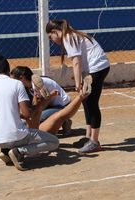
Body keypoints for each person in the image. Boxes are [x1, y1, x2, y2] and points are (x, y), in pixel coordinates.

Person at [0, 55, 59, 171]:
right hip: (15, 136)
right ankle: (19, 151)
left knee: (19, 130)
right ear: (8, 71)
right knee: (54, 142)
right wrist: (38, 102)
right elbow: (27, 114)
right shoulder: (16, 84)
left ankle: (6, 151)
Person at [46, 19, 110, 154]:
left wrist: (77, 83)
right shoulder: (71, 36)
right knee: (86, 102)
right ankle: (88, 137)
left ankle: (94, 141)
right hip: (95, 69)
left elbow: (76, 62)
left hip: (97, 69)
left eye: (50, 36)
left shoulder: (69, 37)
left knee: (92, 103)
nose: (51, 40)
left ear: (55, 32)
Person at [10, 66, 72, 135]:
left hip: (62, 106)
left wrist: (33, 115)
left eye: (14, 80)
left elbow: (42, 104)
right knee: (33, 117)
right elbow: (34, 106)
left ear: (22, 78)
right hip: (50, 105)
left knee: (38, 117)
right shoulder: (28, 88)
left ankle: (65, 121)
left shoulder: (39, 83)